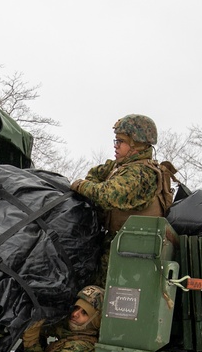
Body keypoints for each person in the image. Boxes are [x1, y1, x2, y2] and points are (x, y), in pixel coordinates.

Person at [70, 114, 177, 283]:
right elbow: (95, 173)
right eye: (116, 141)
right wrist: (90, 184)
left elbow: (107, 195)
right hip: (116, 246)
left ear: (137, 145)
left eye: (121, 141)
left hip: (133, 256)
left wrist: (79, 185)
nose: (116, 146)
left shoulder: (142, 173)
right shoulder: (120, 167)